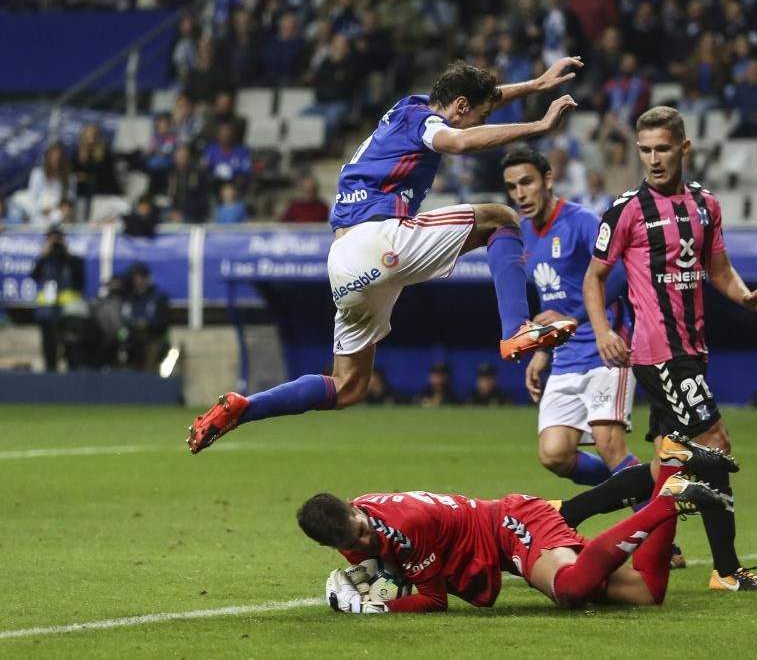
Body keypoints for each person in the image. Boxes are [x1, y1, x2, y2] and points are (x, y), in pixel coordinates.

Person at [187, 58, 584, 454]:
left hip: (343, 262)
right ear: (460, 107)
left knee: (348, 386)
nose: (476, 121)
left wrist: (535, 85)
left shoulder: (407, 106)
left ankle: (246, 407)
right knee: (501, 219)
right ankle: (515, 328)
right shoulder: (427, 123)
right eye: (478, 115)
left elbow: (482, 100)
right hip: (379, 238)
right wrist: (539, 127)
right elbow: (459, 141)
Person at [581, 106, 757, 591]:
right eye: (645, 150)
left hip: (692, 348)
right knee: (715, 444)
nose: (653, 159)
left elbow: (719, 270)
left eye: (663, 149)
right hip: (658, 351)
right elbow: (595, 278)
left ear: (684, 148)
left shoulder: (706, 205)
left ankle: (566, 513)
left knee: (662, 466)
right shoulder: (626, 209)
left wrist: (745, 295)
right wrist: (604, 331)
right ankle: (727, 570)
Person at [299, 436, 735, 614]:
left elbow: (434, 599)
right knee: (647, 593)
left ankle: (666, 503)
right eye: (353, 540)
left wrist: (377, 607)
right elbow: (392, 564)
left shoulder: (404, 525)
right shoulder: (348, 529)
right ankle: (667, 465)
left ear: (353, 508)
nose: (365, 538)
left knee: (570, 589)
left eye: (361, 528)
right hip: (503, 534)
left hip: (509, 525)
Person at [501, 146, 639, 484]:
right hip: (566, 354)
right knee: (555, 454)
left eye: (527, 182)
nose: (521, 193)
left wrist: (573, 318)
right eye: (512, 186)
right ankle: (640, 487)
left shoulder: (581, 220)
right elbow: (553, 301)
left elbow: (618, 276)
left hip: (606, 345)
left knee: (609, 444)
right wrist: (543, 351)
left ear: (548, 179)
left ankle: (661, 532)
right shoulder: (525, 234)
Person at [30, 226, 86, 371]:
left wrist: (67, 253)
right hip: (47, 312)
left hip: (69, 312)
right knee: (49, 348)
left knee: (72, 348)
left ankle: (73, 379)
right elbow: (34, 276)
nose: (55, 243)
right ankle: (50, 378)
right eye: (51, 239)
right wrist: (44, 254)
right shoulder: (44, 261)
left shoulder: (74, 261)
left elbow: (80, 280)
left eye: (58, 239)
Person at [119, 262, 170, 373]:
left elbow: (163, 321)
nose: (136, 281)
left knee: (151, 351)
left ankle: (149, 378)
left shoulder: (158, 297)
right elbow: (123, 318)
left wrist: (147, 325)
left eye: (139, 277)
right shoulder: (128, 297)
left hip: (153, 337)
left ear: (146, 278)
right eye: (134, 278)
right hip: (131, 338)